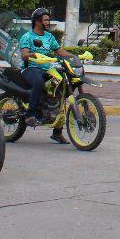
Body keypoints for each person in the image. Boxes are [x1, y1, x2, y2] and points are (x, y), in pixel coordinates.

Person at [18, 7, 72, 142]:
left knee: (61, 88)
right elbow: (24, 55)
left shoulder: (49, 37)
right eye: (45, 20)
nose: (48, 22)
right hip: (30, 69)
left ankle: (57, 132)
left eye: (48, 20)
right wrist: (34, 54)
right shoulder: (27, 37)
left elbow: (59, 52)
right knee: (39, 82)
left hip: (47, 69)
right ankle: (30, 114)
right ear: (37, 21)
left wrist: (75, 57)